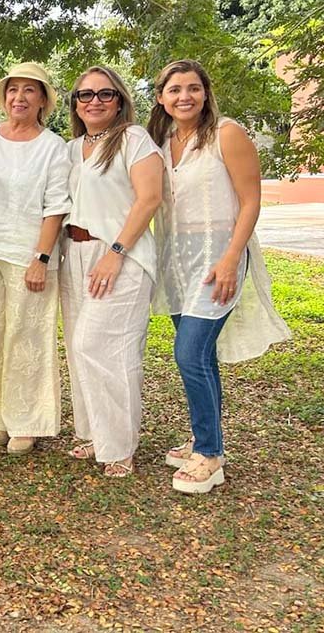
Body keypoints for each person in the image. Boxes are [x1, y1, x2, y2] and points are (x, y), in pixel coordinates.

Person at [148, 59, 291, 494]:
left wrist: (231, 258)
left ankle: (210, 455)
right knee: (201, 357)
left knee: (189, 353)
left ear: (206, 93)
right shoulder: (161, 141)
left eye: (193, 88)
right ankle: (201, 436)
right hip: (176, 260)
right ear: (161, 98)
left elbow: (250, 200)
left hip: (218, 257)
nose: (184, 96)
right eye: (175, 90)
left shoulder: (226, 133)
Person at [61, 66, 162, 478]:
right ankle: (92, 432)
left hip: (120, 253)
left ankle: (120, 445)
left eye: (105, 94)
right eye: (85, 95)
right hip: (75, 252)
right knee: (76, 346)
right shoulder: (72, 148)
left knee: (105, 346)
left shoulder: (134, 140)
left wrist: (116, 251)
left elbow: (149, 198)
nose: (94, 101)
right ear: (75, 105)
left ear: (120, 100)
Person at [0, 63, 71, 455]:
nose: (20, 98)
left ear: (43, 100)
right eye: (14, 90)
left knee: (27, 337)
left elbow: (56, 207)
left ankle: (26, 421)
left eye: (30, 91)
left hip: (31, 256)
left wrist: (41, 258)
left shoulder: (53, 147)